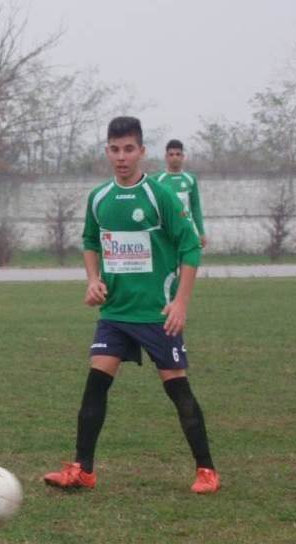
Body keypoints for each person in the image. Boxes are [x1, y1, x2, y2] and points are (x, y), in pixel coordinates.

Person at [42, 116, 220, 495]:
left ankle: (207, 470)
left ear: (141, 151)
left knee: (177, 389)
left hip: (157, 314)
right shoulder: (99, 198)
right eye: (115, 149)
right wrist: (93, 280)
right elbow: (90, 241)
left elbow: (190, 247)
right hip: (116, 313)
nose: (121, 157)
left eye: (128, 149)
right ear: (107, 151)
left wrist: (180, 303)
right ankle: (83, 469)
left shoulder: (159, 196)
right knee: (95, 385)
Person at [155, 139, 206, 248]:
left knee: (190, 257)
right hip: (166, 231)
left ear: (183, 156)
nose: (175, 157)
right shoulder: (157, 180)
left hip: (186, 228)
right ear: (166, 157)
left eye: (178, 154)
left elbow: (195, 207)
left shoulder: (190, 179)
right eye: (171, 154)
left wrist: (201, 232)